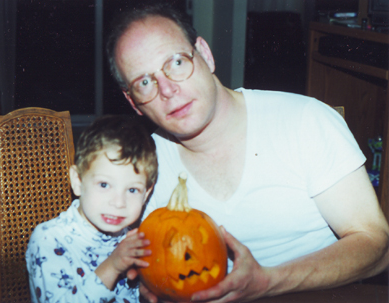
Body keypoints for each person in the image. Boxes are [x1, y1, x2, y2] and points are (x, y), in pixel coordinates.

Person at [106, 4, 389, 303]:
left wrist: (269, 282)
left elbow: (377, 246)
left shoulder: (304, 120)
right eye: (145, 82)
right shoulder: (138, 170)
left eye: (176, 62)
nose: (167, 90)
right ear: (133, 102)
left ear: (204, 53)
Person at [25, 115, 158, 303]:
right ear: (78, 181)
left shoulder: (128, 239)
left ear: (146, 194)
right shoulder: (49, 239)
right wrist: (112, 266)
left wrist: (144, 290)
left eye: (132, 189)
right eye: (104, 185)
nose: (119, 202)